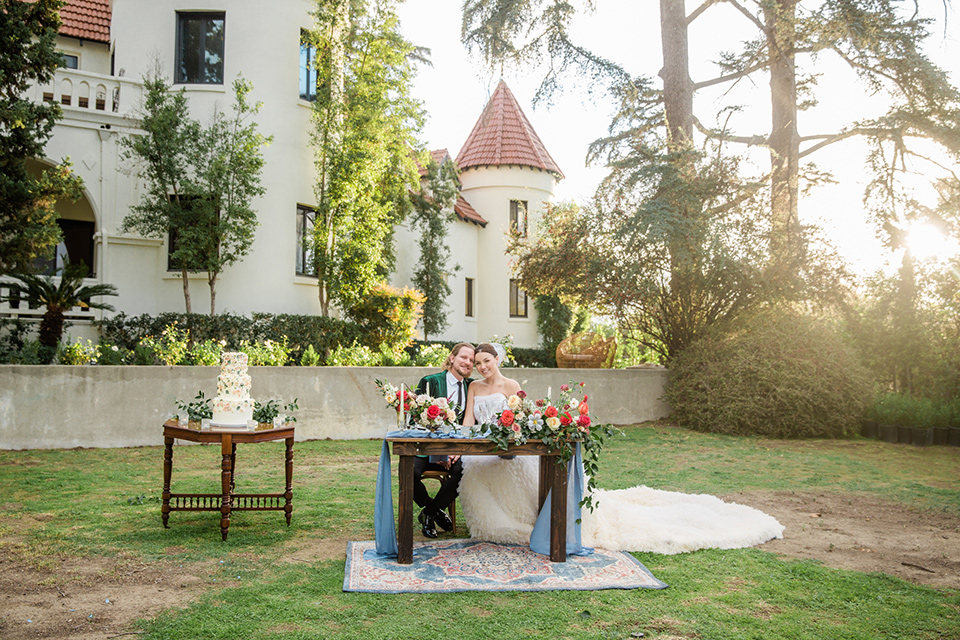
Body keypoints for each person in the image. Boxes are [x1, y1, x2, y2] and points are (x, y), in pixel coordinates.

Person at [457, 343, 786, 554]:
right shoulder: (473, 386)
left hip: (512, 447)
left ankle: (531, 522)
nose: (483, 366)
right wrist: (471, 441)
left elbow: (526, 419)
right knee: (472, 474)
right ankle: (493, 525)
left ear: (497, 359)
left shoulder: (512, 386)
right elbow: (469, 420)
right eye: (479, 363)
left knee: (519, 472)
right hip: (483, 448)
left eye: (487, 361)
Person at [411, 342, 475, 539]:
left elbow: (471, 424)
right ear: (452, 358)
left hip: (456, 450)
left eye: (472, 360)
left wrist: (454, 450)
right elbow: (417, 420)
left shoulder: (472, 386)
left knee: (466, 472)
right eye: (464, 357)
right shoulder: (429, 382)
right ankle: (435, 510)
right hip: (427, 448)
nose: (468, 362)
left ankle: (428, 514)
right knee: (408, 471)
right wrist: (437, 452)